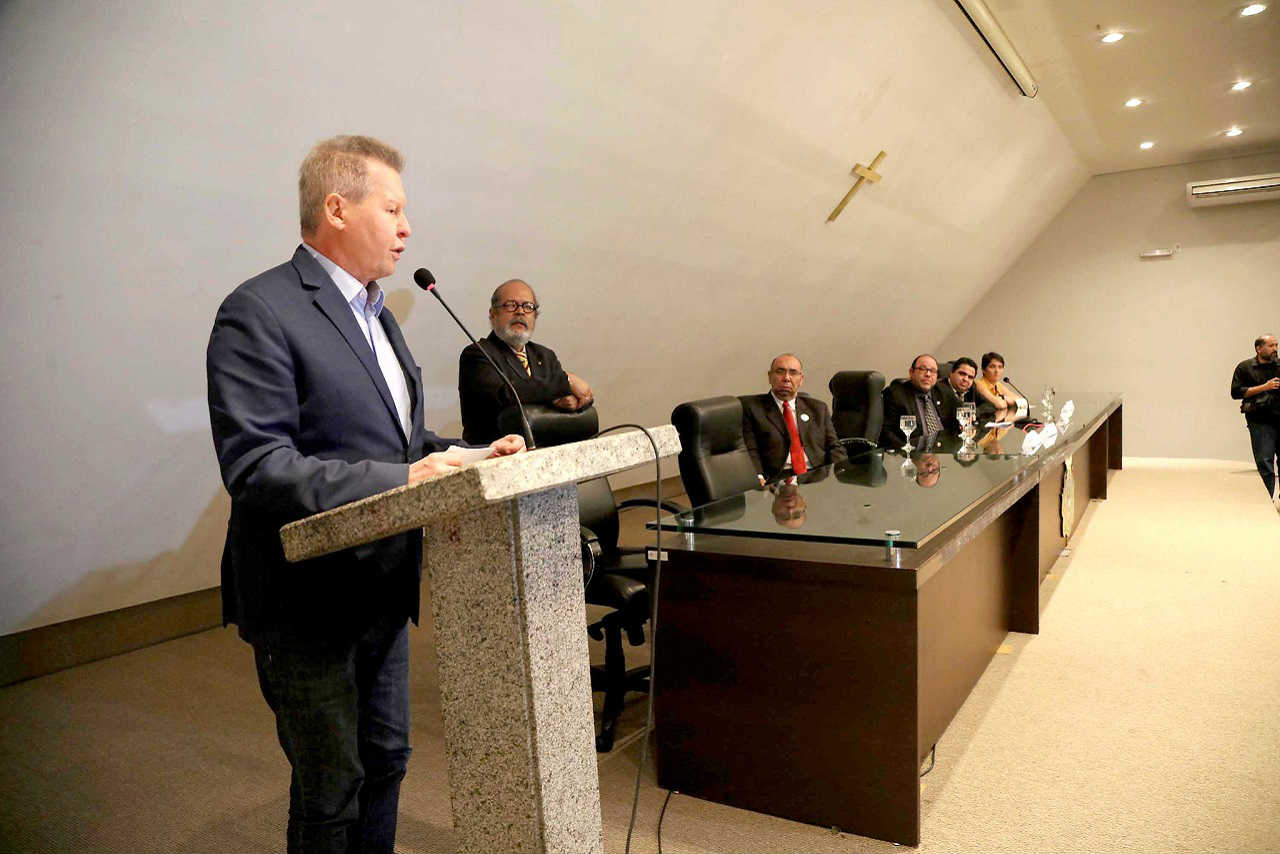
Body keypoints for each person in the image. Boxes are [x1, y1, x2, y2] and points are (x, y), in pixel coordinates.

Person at [206, 135, 525, 854]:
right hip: (306, 598)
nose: (408, 227)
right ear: (337, 208)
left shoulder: (378, 311)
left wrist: (464, 455)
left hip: (381, 583)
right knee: (331, 786)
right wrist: (403, 479)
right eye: (394, 209)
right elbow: (257, 464)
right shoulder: (259, 310)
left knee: (386, 762)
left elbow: (395, 444)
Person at [458, 278, 594, 444]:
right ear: (493, 314)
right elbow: (507, 394)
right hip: (495, 456)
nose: (520, 312)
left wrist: (573, 401)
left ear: (535, 316)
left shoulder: (545, 355)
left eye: (528, 307)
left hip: (546, 453)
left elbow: (574, 397)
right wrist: (566, 381)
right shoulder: (478, 354)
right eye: (511, 305)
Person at [741, 353, 847, 482]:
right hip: (778, 480)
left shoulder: (818, 408)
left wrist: (841, 471)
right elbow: (750, 450)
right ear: (770, 377)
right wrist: (758, 477)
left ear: (801, 379)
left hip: (816, 475)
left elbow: (834, 446)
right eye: (780, 372)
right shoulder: (752, 408)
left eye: (793, 373)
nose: (786, 378)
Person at [1231, 334, 1280, 506]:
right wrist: (1265, 387)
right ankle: (1266, 503)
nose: (1275, 349)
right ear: (1259, 348)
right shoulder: (1245, 368)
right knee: (1265, 462)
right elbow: (1236, 393)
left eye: (1276, 345)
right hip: (1260, 421)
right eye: (1271, 345)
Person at [880, 354, 956, 449]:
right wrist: (906, 451)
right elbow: (886, 432)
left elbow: (961, 410)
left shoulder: (943, 391)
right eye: (923, 369)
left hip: (942, 450)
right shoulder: (895, 394)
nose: (928, 374)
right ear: (911, 372)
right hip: (913, 454)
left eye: (932, 371)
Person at [974, 351, 1021, 423]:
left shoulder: (998, 384)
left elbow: (1020, 401)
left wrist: (1003, 399)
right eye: (992, 367)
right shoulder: (979, 384)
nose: (997, 371)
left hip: (997, 424)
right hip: (984, 425)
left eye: (1000, 367)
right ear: (983, 370)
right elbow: (1000, 405)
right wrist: (1007, 401)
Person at [939, 356, 978, 432]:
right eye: (962, 374)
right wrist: (968, 413)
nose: (966, 379)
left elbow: (989, 406)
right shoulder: (940, 388)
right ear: (951, 373)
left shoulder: (972, 387)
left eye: (970, 377)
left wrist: (974, 414)